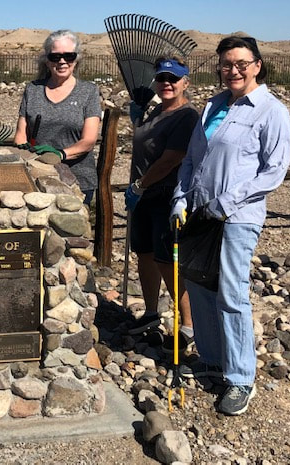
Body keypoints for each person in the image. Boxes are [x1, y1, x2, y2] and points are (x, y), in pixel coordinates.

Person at [171, 36, 290, 415]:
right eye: (226, 64)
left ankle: (241, 378)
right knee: (200, 284)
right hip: (199, 215)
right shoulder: (213, 106)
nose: (233, 70)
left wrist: (224, 203)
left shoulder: (271, 111)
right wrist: (180, 198)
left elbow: (273, 172)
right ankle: (211, 358)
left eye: (241, 63)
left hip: (236, 219)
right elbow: (192, 160)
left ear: (257, 65)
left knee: (231, 294)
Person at [124, 57, 199, 355]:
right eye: (162, 78)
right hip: (143, 195)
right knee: (145, 254)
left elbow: (171, 158)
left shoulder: (187, 116)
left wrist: (140, 186)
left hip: (165, 197)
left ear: (185, 83)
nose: (167, 83)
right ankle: (151, 314)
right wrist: (137, 119)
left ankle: (189, 326)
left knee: (168, 260)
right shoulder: (155, 110)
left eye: (174, 79)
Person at [14, 29, 101, 205]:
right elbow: (20, 134)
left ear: (76, 59)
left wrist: (60, 155)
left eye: (68, 56)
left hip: (78, 179)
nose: (62, 61)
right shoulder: (33, 90)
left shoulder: (88, 92)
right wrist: (26, 155)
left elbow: (89, 141)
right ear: (47, 60)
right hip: (37, 176)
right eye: (55, 57)